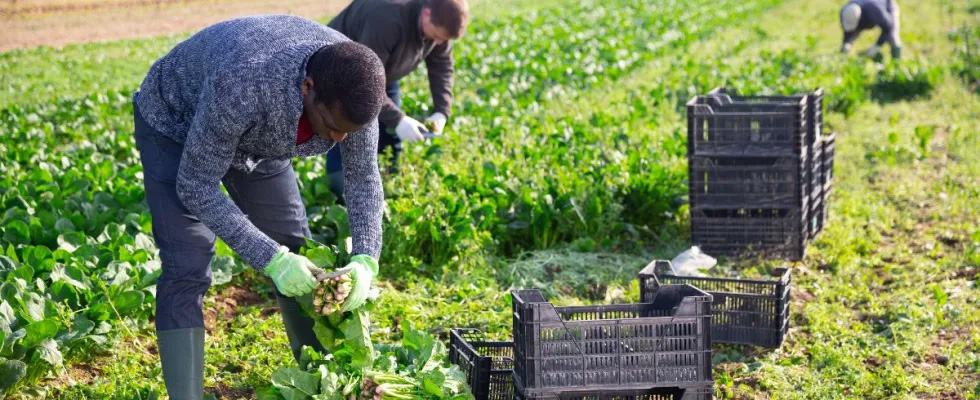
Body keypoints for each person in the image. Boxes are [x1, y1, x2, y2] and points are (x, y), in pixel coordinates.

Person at [132, 15, 386, 399]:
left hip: (260, 137)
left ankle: (322, 383)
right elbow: (197, 185)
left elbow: (363, 179)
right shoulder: (244, 85)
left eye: (348, 131)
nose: (338, 138)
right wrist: (272, 259)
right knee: (187, 264)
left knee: (298, 249)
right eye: (332, 126)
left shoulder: (355, 88)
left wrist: (366, 258)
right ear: (307, 87)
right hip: (176, 124)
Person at [325, 0, 469, 199]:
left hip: (382, 69)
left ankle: (387, 186)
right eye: (436, 36)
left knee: (390, 136)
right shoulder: (386, 19)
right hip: (340, 71)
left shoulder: (439, 26)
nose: (438, 44)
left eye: (443, 40)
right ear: (426, 14)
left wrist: (441, 111)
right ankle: (339, 197)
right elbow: (363, 81)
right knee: (345, 132)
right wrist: (398, 119)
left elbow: (442, 65)